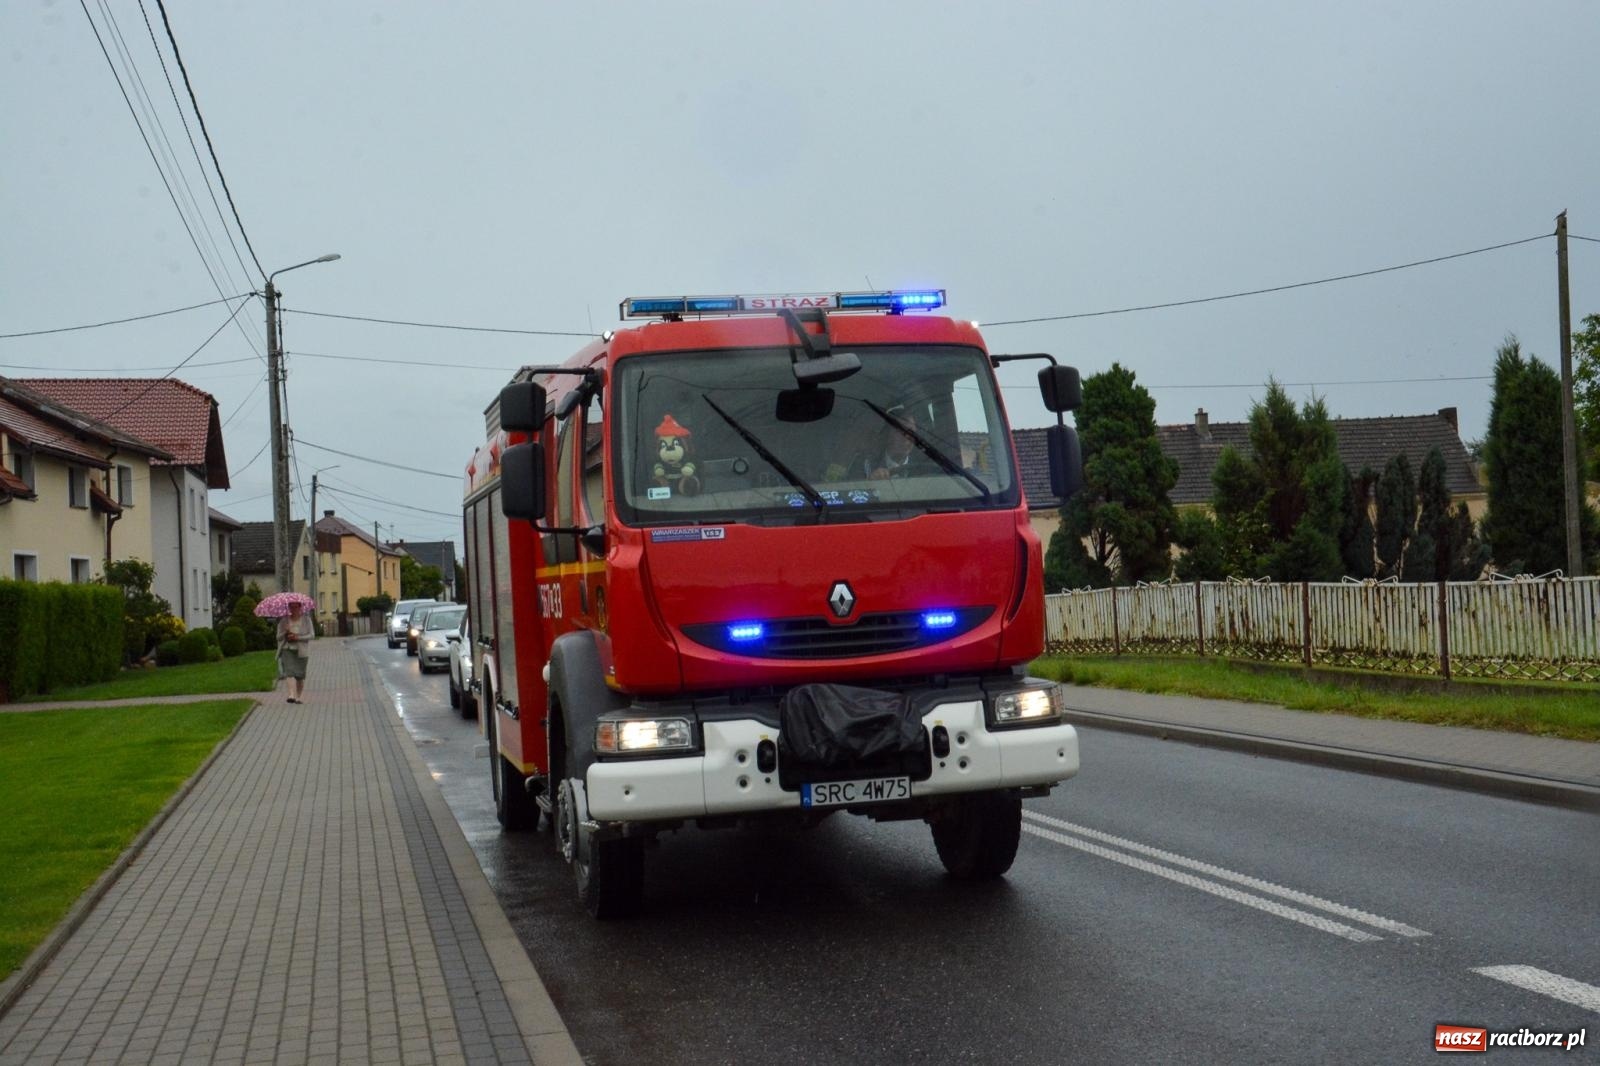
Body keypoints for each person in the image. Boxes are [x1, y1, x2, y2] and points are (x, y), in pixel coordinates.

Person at [276, 600, 313, 704]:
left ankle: (298, 697)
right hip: (287, 649)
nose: (294, 609)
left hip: (301, 651)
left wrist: (298, 637)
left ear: (300, 607)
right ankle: (291, 695)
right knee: (289, 673)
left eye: (296, 607)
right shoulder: (284, 621)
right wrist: (285, 632)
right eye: (291, 607)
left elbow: (312, 635)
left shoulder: (307, 620)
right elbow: (278, 637)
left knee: (299, 676)